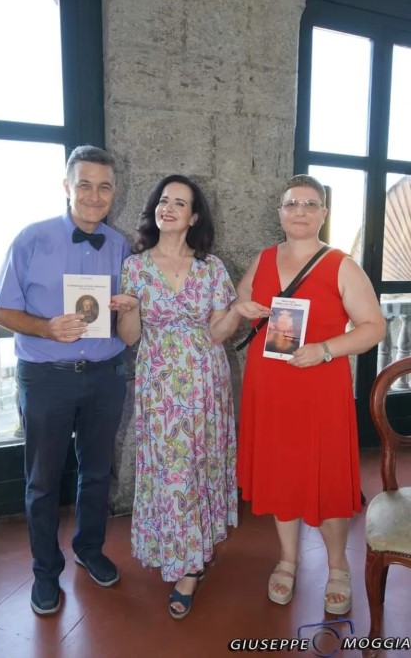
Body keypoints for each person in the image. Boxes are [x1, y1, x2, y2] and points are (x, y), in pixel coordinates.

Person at [0, 145, 135, 616]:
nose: (95, 195)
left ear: (114, 191)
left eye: (104, 186)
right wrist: (45, 326)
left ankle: (89, 549)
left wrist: (128, 308)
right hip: (47, 376)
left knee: (96, 473)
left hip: (106, 375)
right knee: (43, 480)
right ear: (67, 186)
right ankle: (44, 572)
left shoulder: (121, 246)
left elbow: (129, 314)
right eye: (85, 184)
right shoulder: (31, 238)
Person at [236, 174, 386, 615]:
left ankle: (338, 566)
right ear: (280, 212)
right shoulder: (262, 259)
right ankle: (287, 559)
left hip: (319, 386)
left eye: (310, 203)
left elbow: (373, 327)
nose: (299, 211)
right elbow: (239, 304)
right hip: (270, 386)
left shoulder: (341, 264)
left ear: (323, 213)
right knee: (283, 473)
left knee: (325, 474)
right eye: (291, 204)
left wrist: (324, 349)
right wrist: (242, 308)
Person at [112, 174, 259, 620]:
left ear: (194, 216)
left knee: (199, 465)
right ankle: (183, 555)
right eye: (163, 200)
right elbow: (131, 338)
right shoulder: (135, 267)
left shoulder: (211, 268)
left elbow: (216, 334)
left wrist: (234, 310)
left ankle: (191, 563)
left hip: (205, 383)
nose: (168, 208)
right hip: (159, 385)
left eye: (180, 202)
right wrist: (132, 310)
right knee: (171, 469)